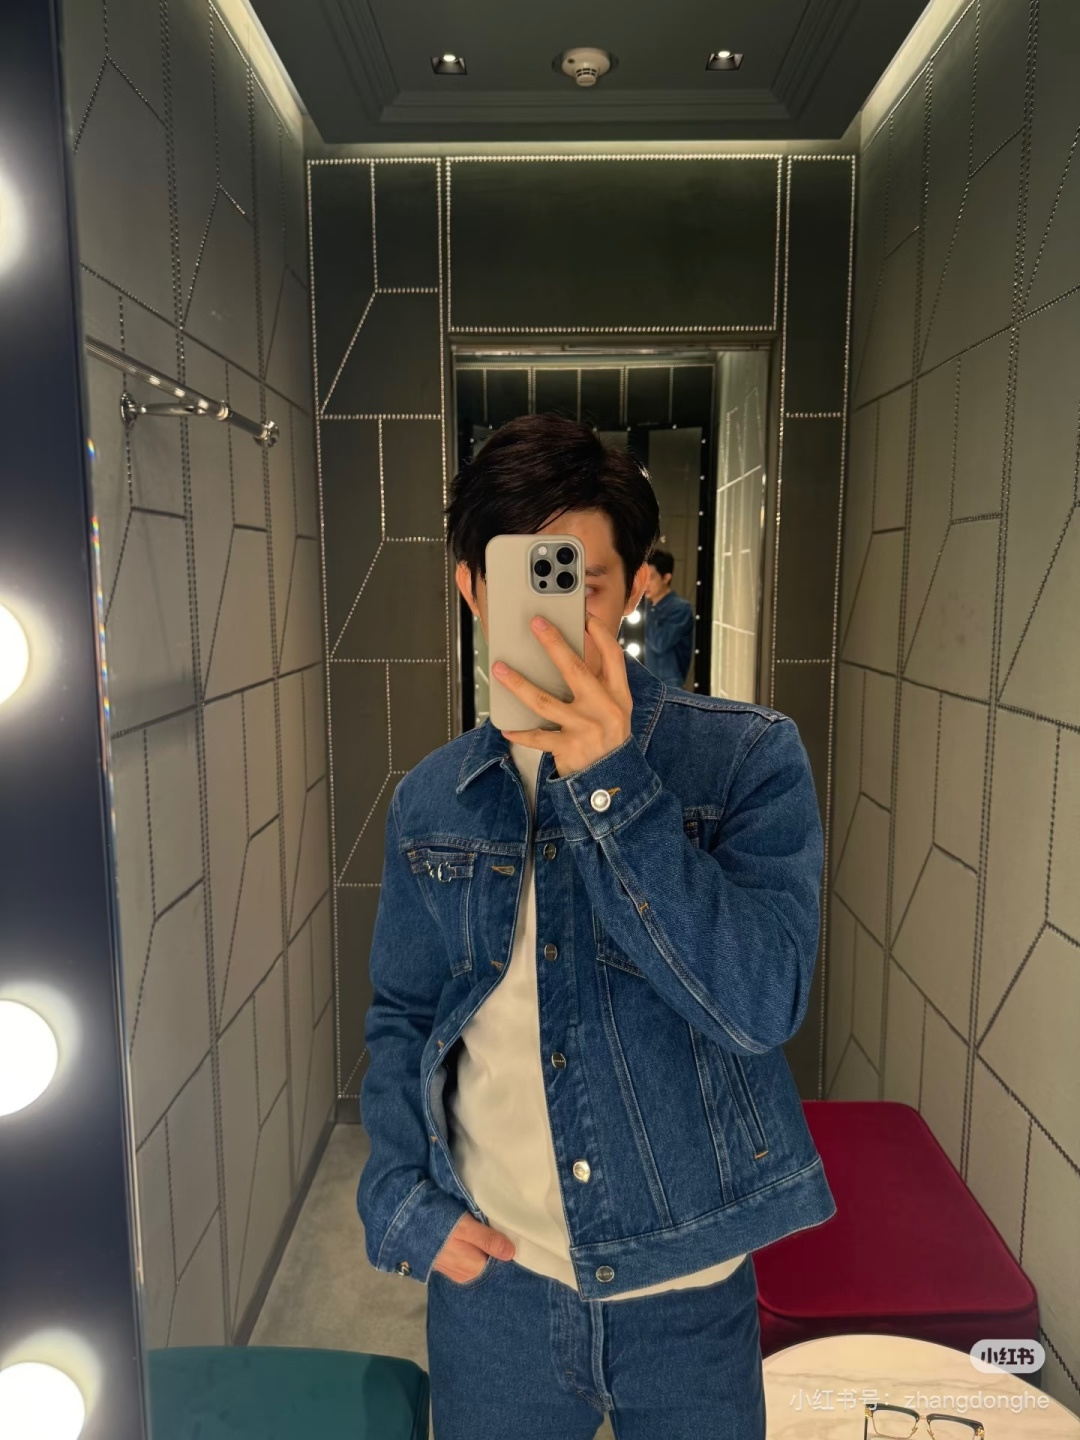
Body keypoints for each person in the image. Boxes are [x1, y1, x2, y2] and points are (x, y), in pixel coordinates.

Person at [356, 413, 836, 1440]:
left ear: (630, 591)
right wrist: (400, 1196)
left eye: (584, 581)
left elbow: (761, 1005)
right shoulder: (432, 801)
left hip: (689, 1291)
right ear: (472, 589)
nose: (555, 619)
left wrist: (613, 787)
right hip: (497, 1291)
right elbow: (403, 1014)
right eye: (526, 581)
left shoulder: (746, 762)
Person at [641, 547, 695, 688]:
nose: (646, 584)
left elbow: (660, 642)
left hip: (669, 688)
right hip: (647, 684)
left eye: (651, 577)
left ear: (666, 578)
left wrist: (645, 616)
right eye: (644, 578)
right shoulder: (647, 608)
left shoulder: (681, 608)